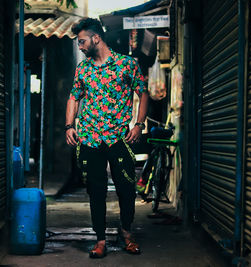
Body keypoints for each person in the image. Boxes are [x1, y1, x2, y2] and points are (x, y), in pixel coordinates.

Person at [65, 17, 149, 258]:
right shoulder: (83, 69)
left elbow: (142, 94)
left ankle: (127, 234)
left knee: (126, 187)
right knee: (96, 189)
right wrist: (69, 126)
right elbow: (74, 97)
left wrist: (139, 124)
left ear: (96, 38)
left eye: (82, 42)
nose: (80, 47)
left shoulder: (127, 64)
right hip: (90, 139)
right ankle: (100, 240)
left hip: (119, 139)